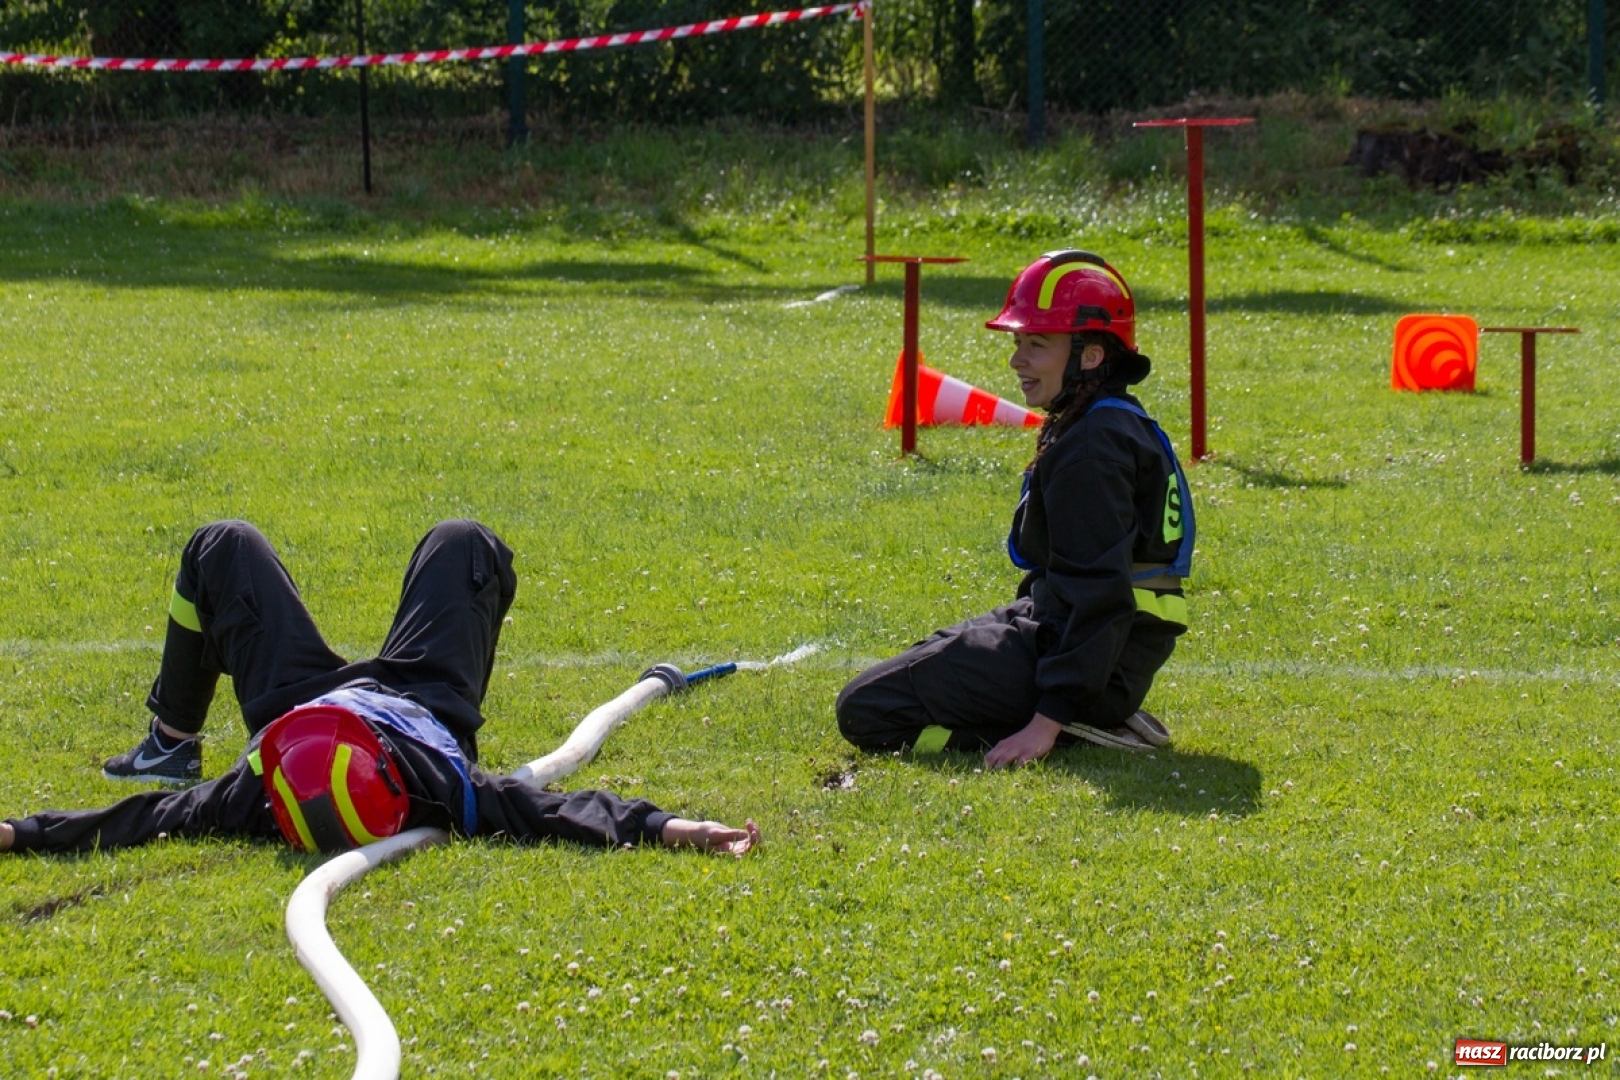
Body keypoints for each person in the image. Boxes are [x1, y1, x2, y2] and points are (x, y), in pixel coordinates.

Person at [1, 519, 759, 857]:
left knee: (221, 547)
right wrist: (670, 827)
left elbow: (145, 819)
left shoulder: (257, 790)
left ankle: (169, 742)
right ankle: (173, 737)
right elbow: (550, 810)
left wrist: (23, 834)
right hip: (421, 700)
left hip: (292, 704)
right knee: (465, 545)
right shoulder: (441, 783)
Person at [837, 250, 1194, 769]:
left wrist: (1046, 723)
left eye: (1037, 344)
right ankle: (1073, 712)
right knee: (917, 660)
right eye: (1018, 342)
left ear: (1090, 356)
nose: (1016, 360)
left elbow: (1100, 595)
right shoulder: (1101, 418)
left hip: (1094, 660)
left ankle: (1082, 728)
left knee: (865, 711)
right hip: (1074, 635)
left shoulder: (1093, 447)